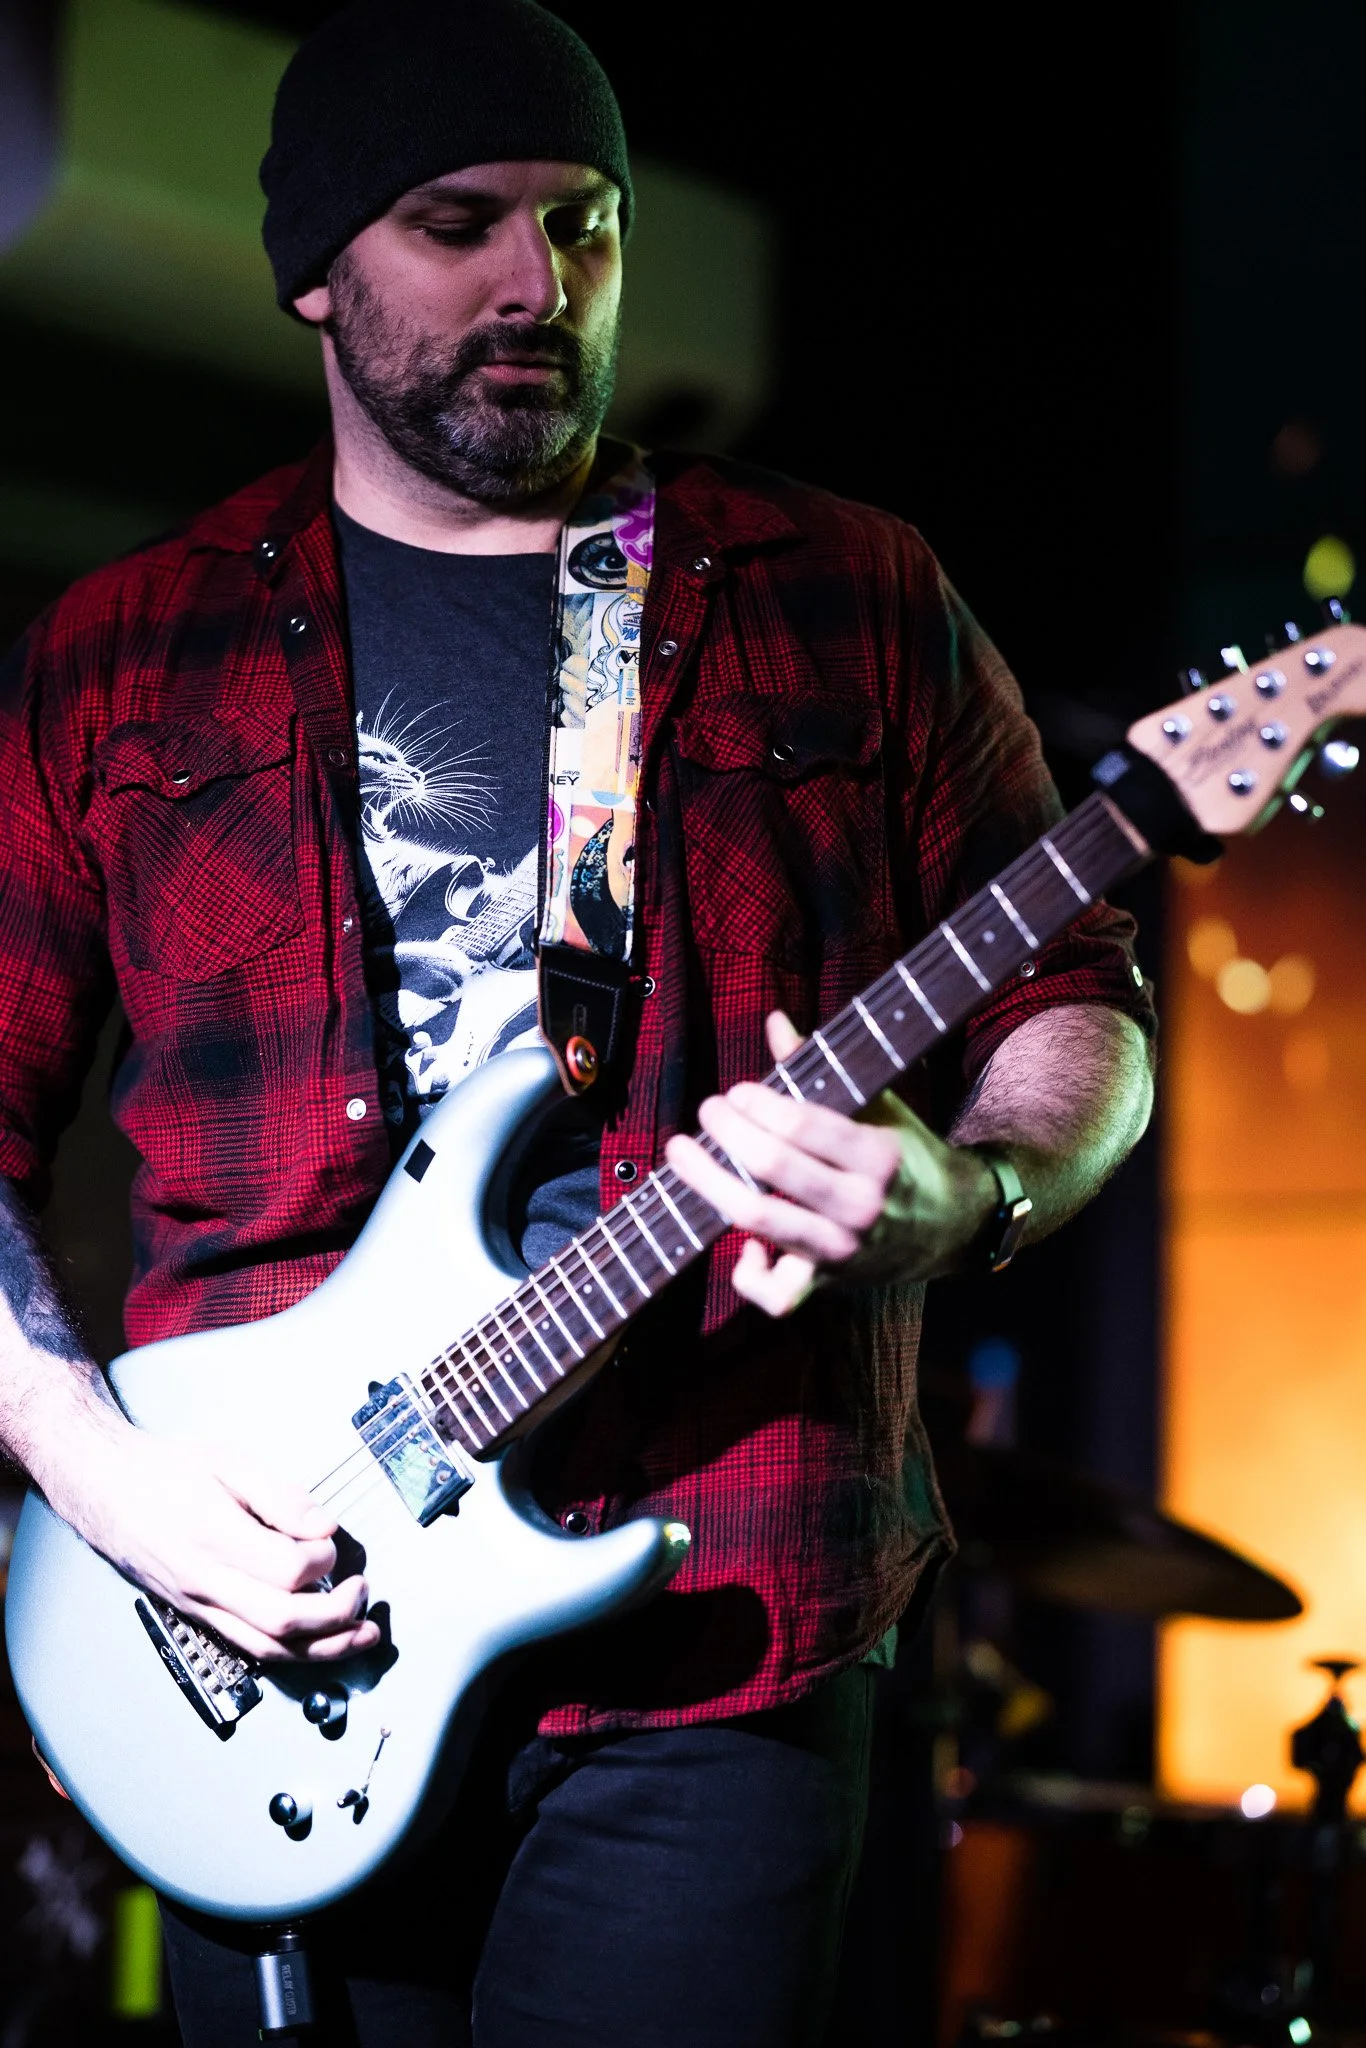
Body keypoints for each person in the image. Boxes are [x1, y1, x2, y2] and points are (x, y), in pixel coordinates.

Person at [0, 2, 1155, 2041]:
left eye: (584, 226)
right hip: (255, 1614)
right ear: (313, 272)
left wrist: (958, 1185)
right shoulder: (123, 653)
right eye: (458, 223)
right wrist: (103, 1476)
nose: (538, 284)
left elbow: (1072, 1008)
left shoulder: (847, 592)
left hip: (718, 1622)